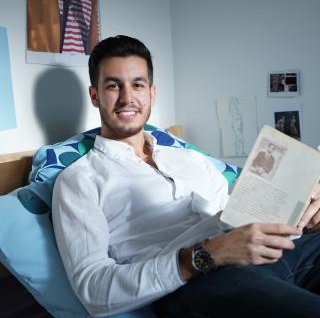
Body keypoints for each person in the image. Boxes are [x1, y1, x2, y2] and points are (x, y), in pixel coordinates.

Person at [52, 35, 320, 318]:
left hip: (273, 253)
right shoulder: (79, 180)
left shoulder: (191, 158)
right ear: (95, 96)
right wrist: (210, 254)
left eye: (138, 85)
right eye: (113, 85)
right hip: (200, 280)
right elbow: (94, 290)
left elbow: (234, 215)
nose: (127, 97)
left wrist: (303, 214)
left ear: (152, 94)